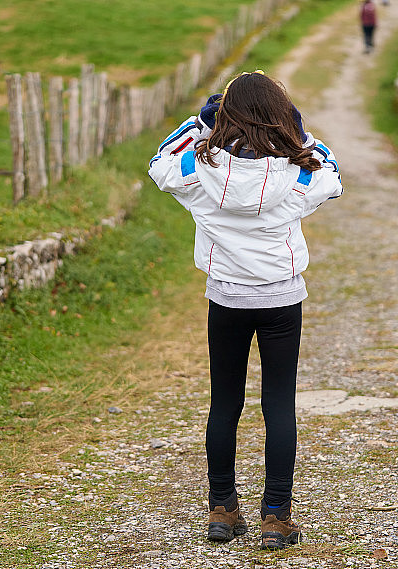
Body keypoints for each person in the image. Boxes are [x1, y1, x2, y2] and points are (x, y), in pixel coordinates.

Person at [148, 71, 342, 550]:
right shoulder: (297, 174)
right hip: (281, 300)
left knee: (224, 403)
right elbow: (332, 173)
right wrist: (291, 125)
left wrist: (205, 118)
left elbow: (159, 161)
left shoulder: (197, 170)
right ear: (280, 116)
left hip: (227, 300)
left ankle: (222, 510)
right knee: (279, 405)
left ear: (224, 117)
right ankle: (276, 517)